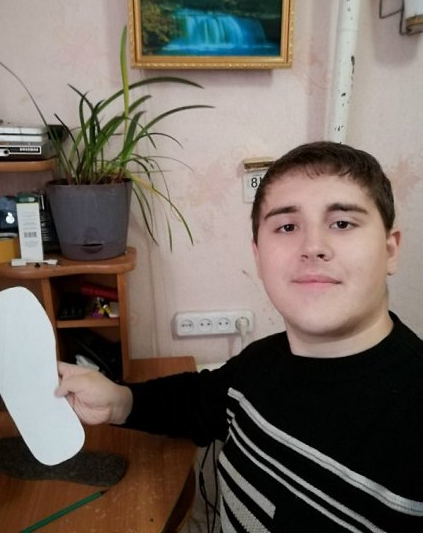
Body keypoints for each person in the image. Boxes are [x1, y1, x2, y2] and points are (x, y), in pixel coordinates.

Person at [56, 141, 423, 532]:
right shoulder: (261, 362)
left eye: (343, 223)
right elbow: (198, 401)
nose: (313, 247)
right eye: (287, 226)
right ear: (258, 257)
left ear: (390, 250)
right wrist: (119, 401)